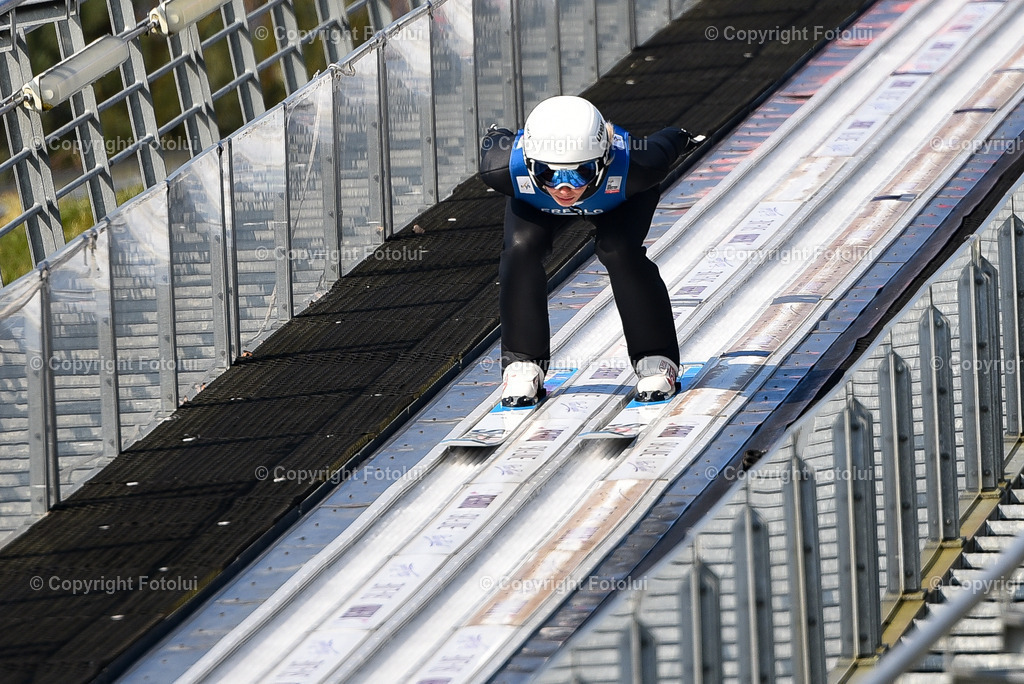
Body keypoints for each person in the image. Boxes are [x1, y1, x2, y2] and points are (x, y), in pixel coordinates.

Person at [479, 95, 702, 407]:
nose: (564, 189)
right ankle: (523, 363)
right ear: (529, 164)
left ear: (603, 161)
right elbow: (496, 140)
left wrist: (682, 136)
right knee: (519, 251)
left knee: (618, 250)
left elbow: (666, 142)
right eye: (548, 173)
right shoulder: (502, 168)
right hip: (534, 202)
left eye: (578, 173)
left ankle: (655, 357)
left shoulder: (638, 166)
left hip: (619, 199)